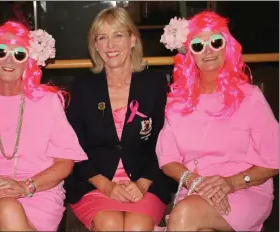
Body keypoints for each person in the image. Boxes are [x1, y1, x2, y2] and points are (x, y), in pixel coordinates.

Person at [0, 21, 87, 231]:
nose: (9, 60)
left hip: (38, 194)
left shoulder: (48, 103)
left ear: (28, 62)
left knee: (9, 210)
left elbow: (65, 162)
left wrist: (25, 187)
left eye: (19, 54)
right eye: (2, 51)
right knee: (7, 208)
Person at [156, 11, 279, 231]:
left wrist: (230, 183)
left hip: (246, 189)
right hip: (195, 189)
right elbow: (167, 159)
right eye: (198, 45)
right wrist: (195, 181)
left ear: (227, 47)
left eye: (215, 41)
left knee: (184, 214)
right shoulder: (176, 102)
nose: (208, 50)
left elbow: (273, 160)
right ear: (190, 54)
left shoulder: (250, 97)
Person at [64, 7, 175, 231]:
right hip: (94, 183)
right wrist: (107, 187)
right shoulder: (83, 87)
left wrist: (143, 184)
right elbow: (72, 148)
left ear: (132, 39)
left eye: (118, 35)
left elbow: (166, 143)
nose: (110, 45)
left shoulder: (153, 85)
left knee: (137, 227)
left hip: (147, 182)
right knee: (109, 224)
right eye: (102, 38)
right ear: (95, 45)